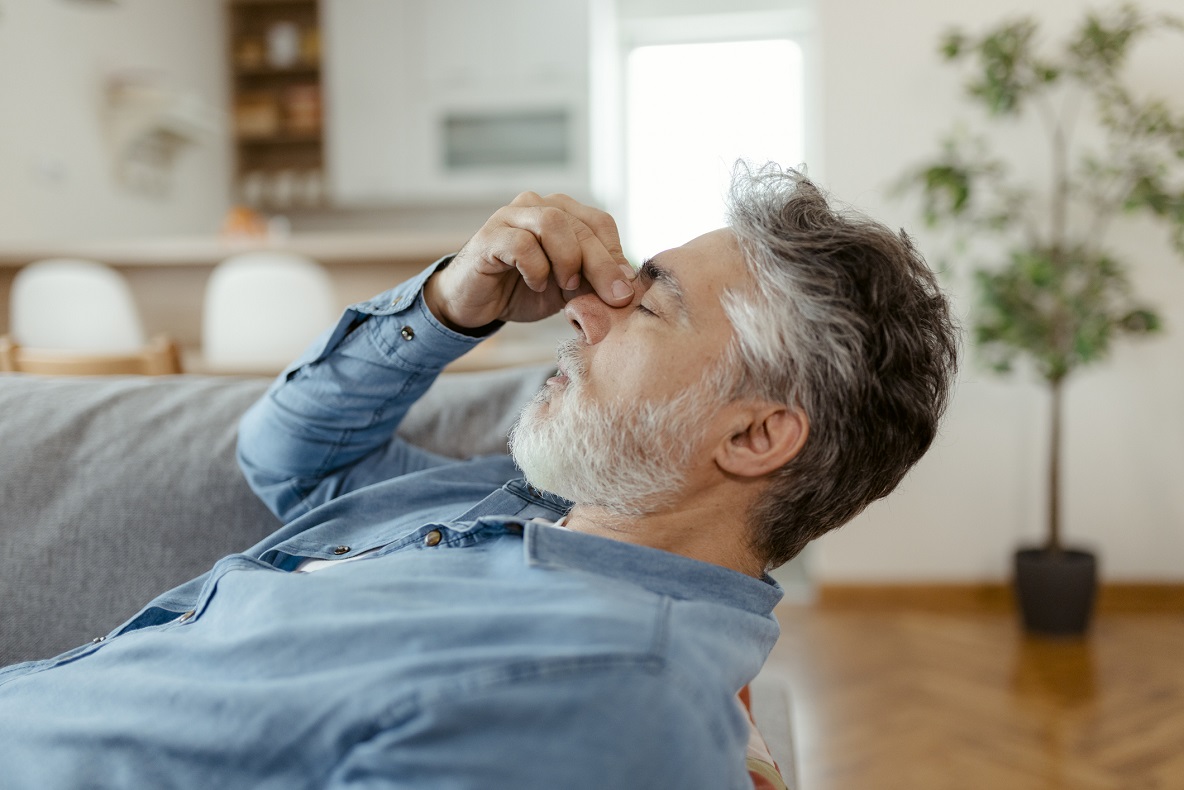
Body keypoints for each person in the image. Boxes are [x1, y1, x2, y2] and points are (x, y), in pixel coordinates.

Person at [0, 164, 958, 788]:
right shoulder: (519, 510)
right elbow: (284, 456)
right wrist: (451, 303)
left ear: (754, 439)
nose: (584, 310)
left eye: (650, 309)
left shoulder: (610, 691)